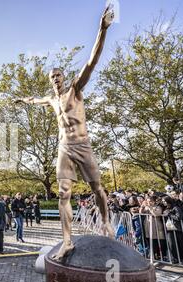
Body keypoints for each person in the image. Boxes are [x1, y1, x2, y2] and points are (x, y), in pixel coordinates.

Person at [18, 7, 115, 261]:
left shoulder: (76, 89)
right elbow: (36, 99)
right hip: (64, 148)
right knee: (63, 193)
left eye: (58, 74)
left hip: (82, 144)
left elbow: (92, 60)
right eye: (52, 76)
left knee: (97, 188)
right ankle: (67, 241)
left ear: (64, 76)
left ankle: (105, 221)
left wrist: (102, 29)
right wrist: (23, 99)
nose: (56, 79)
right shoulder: (52, 100)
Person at [163, 196, 183, 264]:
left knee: (180, 244)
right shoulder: (166, 208)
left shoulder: (175, 207)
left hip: (177, 229)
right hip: (169, 228)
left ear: (168, 201)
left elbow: (179, 217)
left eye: (164, 201)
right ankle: (175, 258)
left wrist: (169, 214)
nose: (163, 202)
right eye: (163, 201)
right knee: (171, 244)